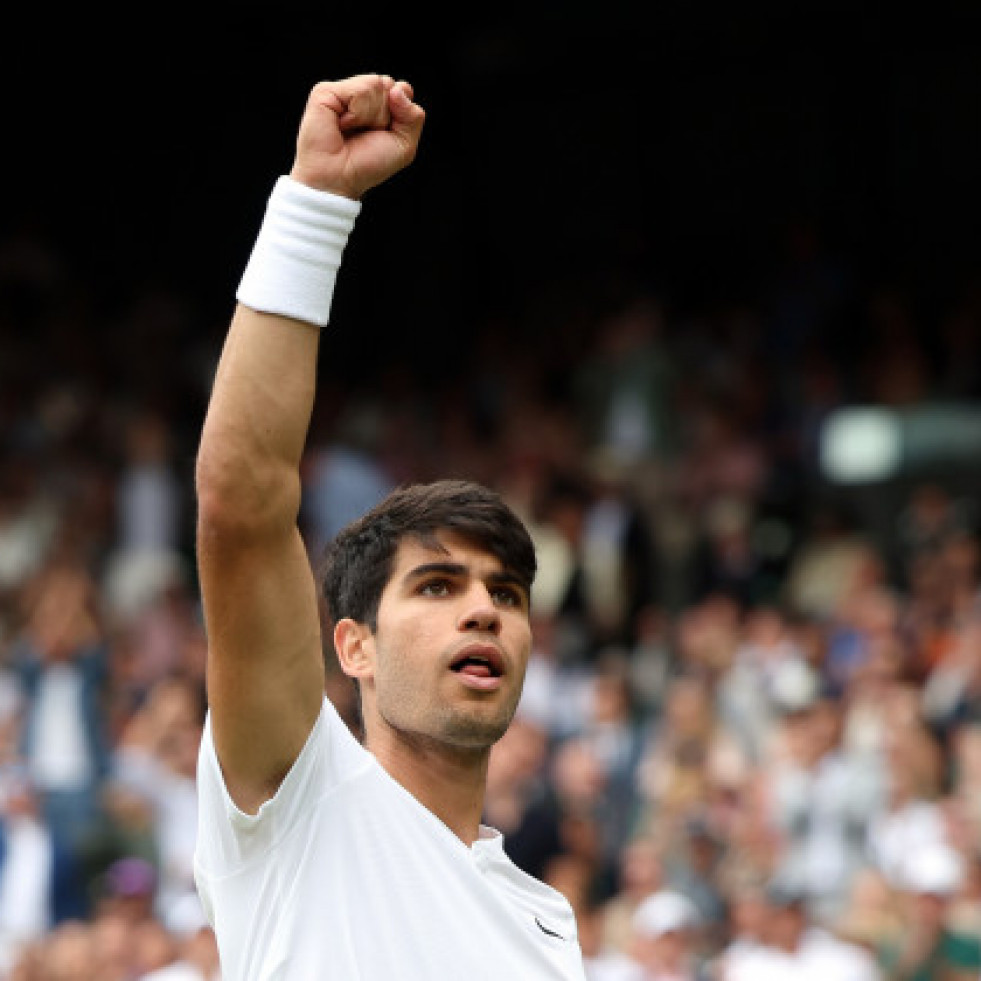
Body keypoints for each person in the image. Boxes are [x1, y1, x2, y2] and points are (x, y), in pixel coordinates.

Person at [192, 73, 587, 979]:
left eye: (506, 593)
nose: (484, 610)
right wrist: (314, 206)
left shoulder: (546, 920)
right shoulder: (297, 798)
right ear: (353, 646)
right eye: (437, 585)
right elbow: (241, 499)